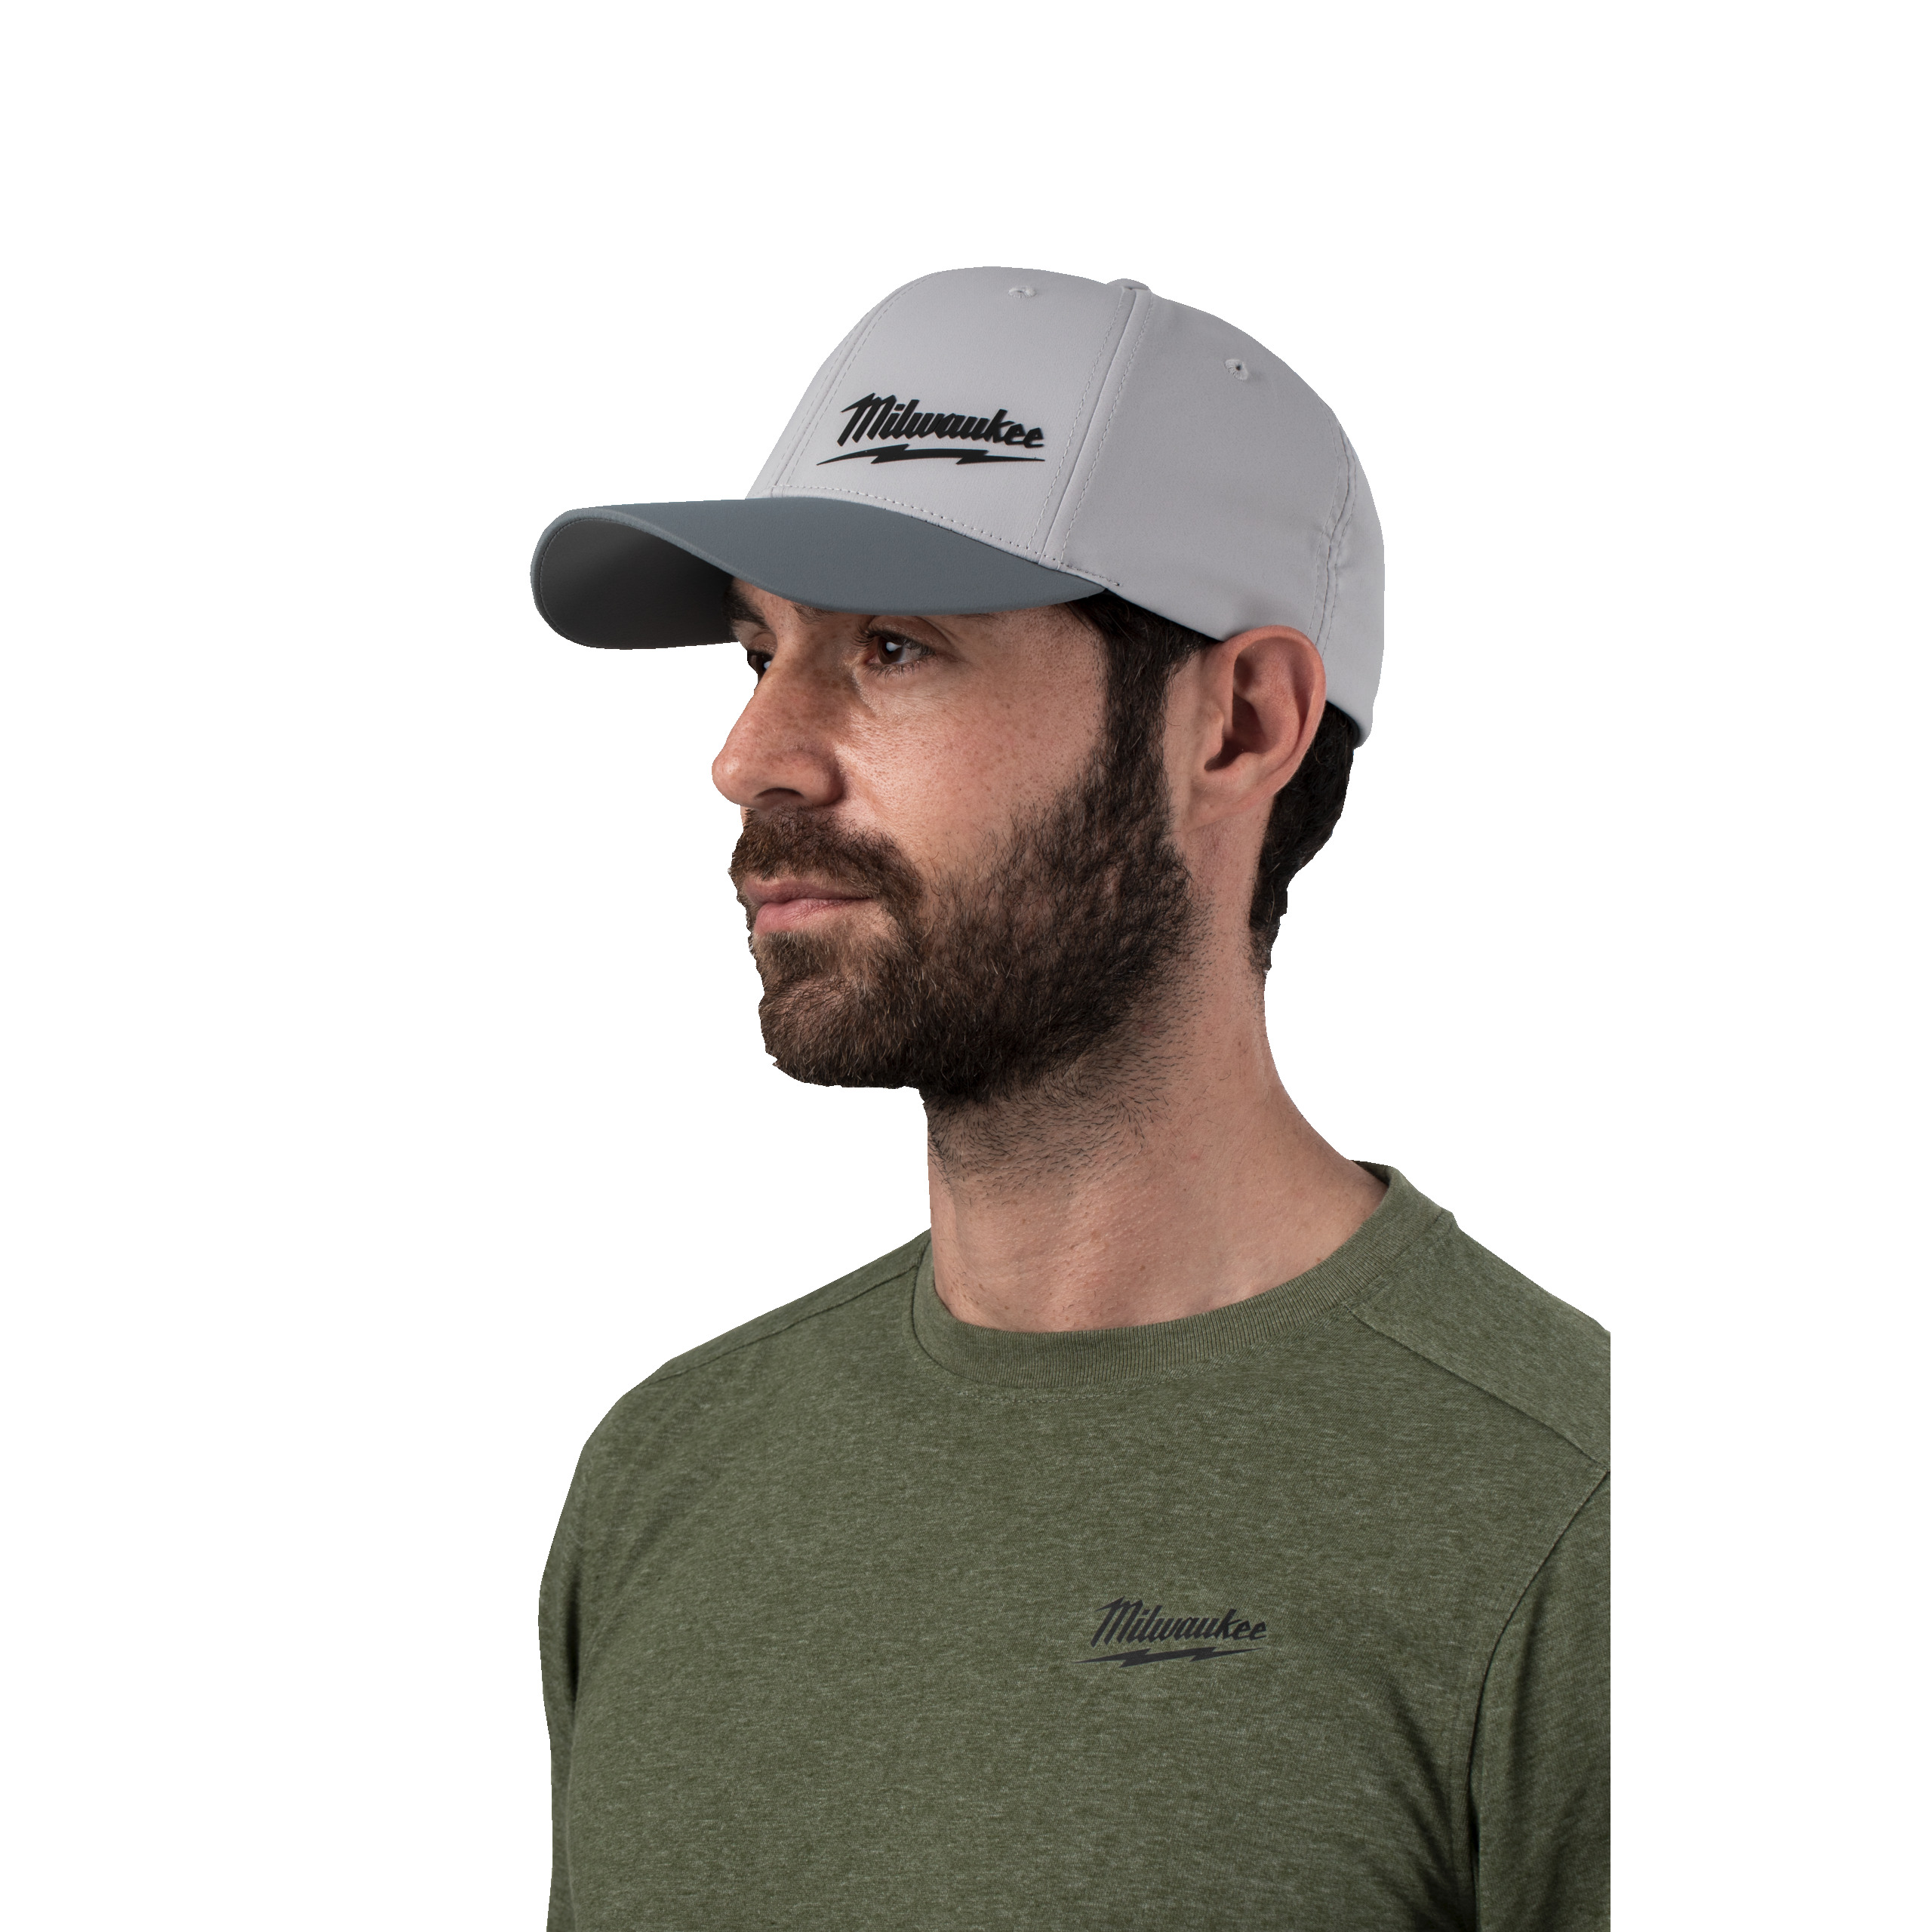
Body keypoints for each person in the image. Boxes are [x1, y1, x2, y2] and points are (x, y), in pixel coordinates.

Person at [529, 268, 1609, 1931]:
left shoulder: (1575, 1516)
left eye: (893, 646)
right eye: (760, 648)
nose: (750, 755)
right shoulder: (667, 1476)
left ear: (1238, 723)